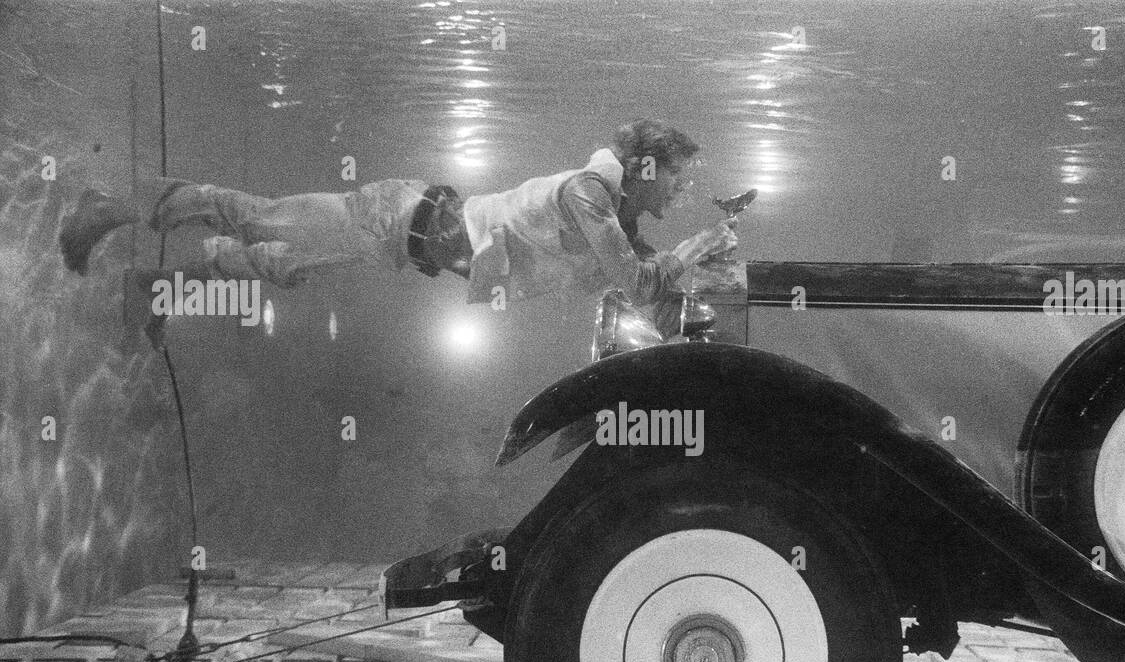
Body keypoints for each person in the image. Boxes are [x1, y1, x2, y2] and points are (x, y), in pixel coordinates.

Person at [58, 118, 738, 346]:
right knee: (257, 217)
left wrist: (703, 271)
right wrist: (698, 248)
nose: (680, 191)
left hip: (402, 242)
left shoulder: (612, 214)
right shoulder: (587, 194)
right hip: (395, 217)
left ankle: (157, 287)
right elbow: (643, 278)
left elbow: (650, 289)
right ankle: (113, 204)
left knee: (277, 261)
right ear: (645, 166)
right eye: (677, 177)